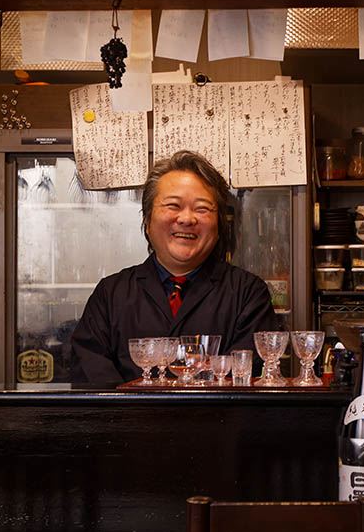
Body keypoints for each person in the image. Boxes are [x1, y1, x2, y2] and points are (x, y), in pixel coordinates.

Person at [69, 150, 280, 386]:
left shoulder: (248, 293)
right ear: (147, 221)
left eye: (202, 208)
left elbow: (247, 377)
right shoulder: (111, 294)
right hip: (129, 422)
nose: (187, 219)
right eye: (173, 205)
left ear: (219, 226)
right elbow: (90, 375)